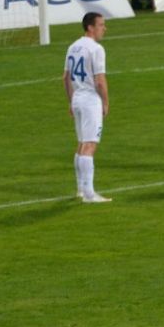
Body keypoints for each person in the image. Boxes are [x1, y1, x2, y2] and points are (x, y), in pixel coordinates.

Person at [66, 12, 113, 203]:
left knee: (81, 143)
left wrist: (70, 101)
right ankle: (89, 194)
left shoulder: (73, 46)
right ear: (90, 27)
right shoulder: (96, 49)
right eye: (101, 25)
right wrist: (106, 102)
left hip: (77, 97)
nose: (104, 28)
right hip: (90, 99)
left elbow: (65, 77)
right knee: (90, 145)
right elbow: (100, 80)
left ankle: (80, 188)